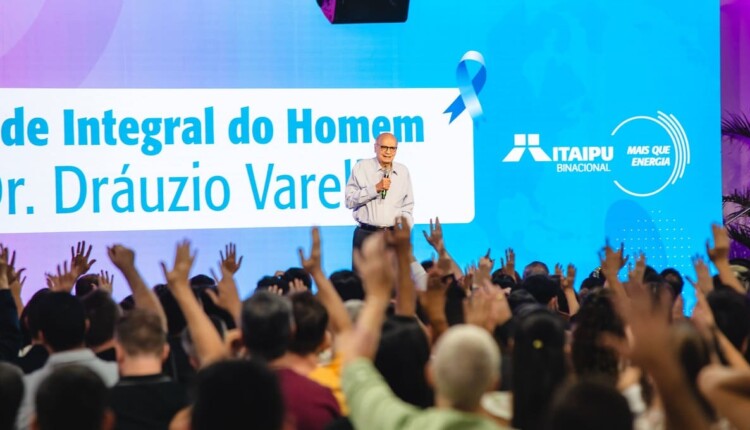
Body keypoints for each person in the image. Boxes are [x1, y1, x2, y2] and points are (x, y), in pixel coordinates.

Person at [345, 132, 414, 251]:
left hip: (393, 235)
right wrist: (375, 189)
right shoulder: (361, 168)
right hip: (366, 234)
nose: (388, 152)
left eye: (392, 148)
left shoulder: (403, 171)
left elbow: (407, 206)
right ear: (375, 148)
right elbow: (349, 201)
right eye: (384, 147)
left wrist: (405, 230)